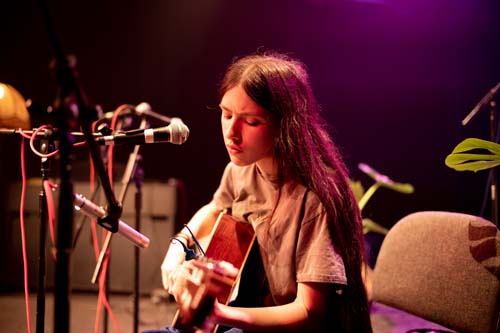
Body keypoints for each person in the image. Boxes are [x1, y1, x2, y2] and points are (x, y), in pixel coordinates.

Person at [147, 51, 372, 333]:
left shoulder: (316, 196)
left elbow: (309, 311)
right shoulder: (241, 169)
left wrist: (219, 313)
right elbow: (216, 208)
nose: (232, 132)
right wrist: (178, 248)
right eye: (226, 115)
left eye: (251, 121)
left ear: (286, 125)